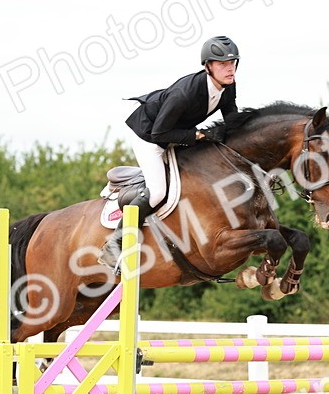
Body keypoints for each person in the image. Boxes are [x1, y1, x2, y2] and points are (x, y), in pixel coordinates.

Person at [99, 35, 241, 270]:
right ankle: (115, 244)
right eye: (222, 64)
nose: (229, 68)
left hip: (175, 133)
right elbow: (159, 133)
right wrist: (199, 135)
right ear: (208, 67)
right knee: (157, 192)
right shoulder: (184, 93)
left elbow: (232, 120)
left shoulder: (228, 85)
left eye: (232, 62)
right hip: (150, 137)